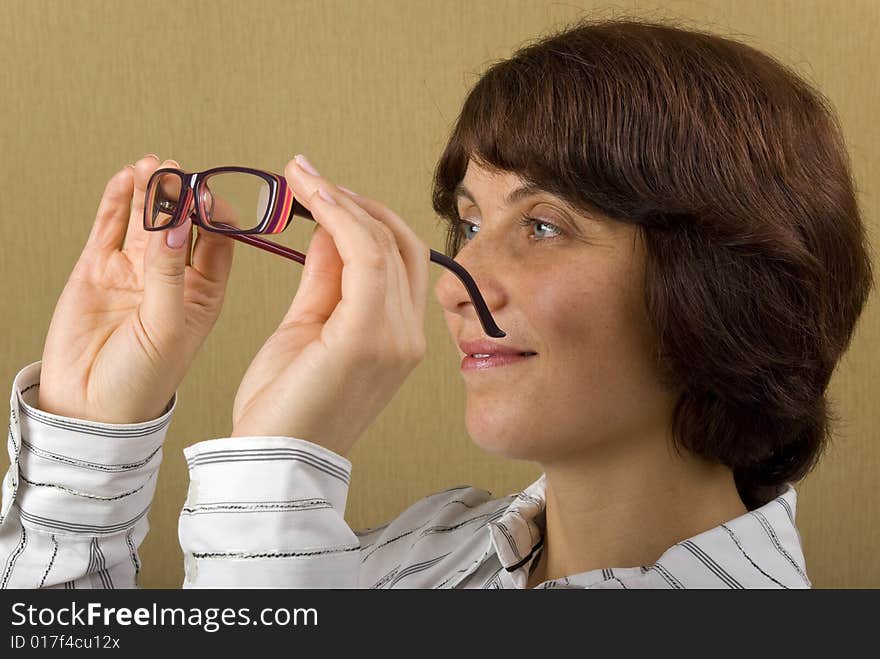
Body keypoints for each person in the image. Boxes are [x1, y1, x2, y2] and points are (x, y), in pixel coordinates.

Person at [0, 18, 872, 589]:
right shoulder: (418, 554)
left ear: (722, 284)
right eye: (466, 222)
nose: (459, 284)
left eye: (543, 225)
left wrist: (277, 474)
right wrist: (90, 435)